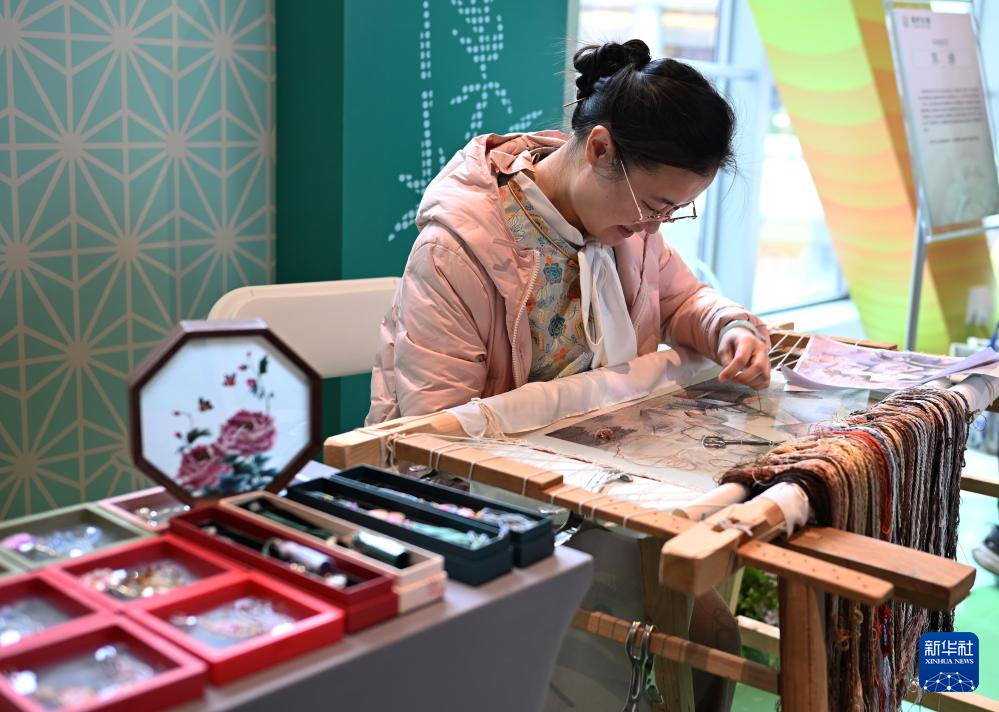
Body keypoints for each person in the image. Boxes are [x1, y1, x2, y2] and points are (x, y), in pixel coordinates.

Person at [368, 38, 770, 711]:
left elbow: (681, 301)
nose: (655, 225)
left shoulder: (623, 229)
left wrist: (729, 326)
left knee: (710, 635)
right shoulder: (462, 249)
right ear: (600, 149)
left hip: (589, 491)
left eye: (673, 212)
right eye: (654, 205)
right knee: (662, 644)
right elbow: (437, 439)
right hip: (479, 504)